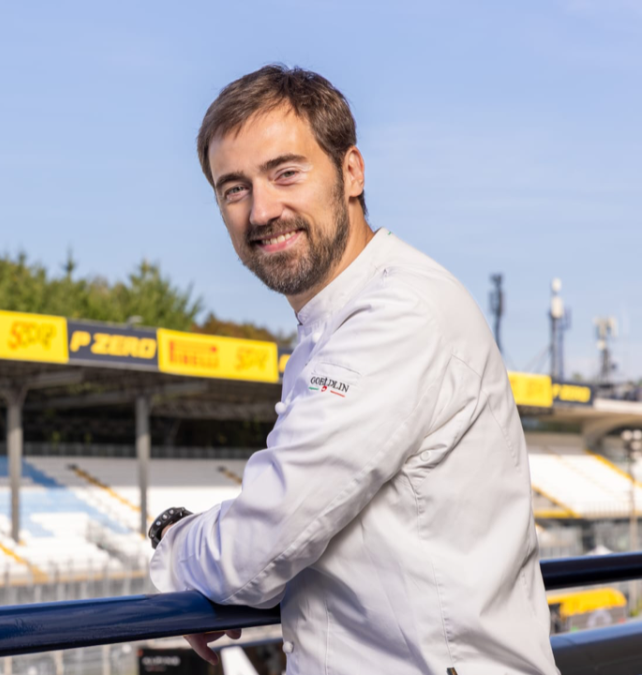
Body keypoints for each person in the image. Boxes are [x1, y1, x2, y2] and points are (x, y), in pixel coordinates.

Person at [147, 65, 559, 675]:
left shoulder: (396, 313)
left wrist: (173, 547)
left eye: (286, 173)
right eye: (234, 189)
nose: (261, 210)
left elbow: (262, 543)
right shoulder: (338, 321)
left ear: (351, 172)